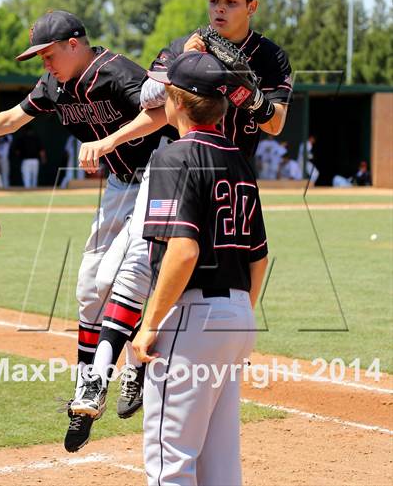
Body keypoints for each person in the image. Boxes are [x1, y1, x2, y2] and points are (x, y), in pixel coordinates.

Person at [74, 0, 291, 426]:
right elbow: (157, 109)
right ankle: (120, 371)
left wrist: (246, 93)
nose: (219, 7)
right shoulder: (183, 47)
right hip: (180, 164)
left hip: (231, 173)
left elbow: (275, 123)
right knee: (138, 265)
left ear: (251, 7)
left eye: (230, 1)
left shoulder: (271, 58)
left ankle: (210, 345)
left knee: (218, 273)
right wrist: (112, 141)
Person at [0, 9, 170, 452]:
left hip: (159, 171)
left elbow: (162, 114)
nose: (44, 63)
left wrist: (108, 141)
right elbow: (8, 120)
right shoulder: (54, 86)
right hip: (121, 182)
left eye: (47, 54)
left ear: (75, 44)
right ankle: (88, 383)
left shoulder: (116, 72)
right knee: (89, 285)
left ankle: (113, 371)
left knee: (125, 273)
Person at [132, 52, 268, 484]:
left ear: (176, 101)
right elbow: (259, 255)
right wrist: (239, 317)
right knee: (220, 465)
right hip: (237, 315)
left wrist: (150, 323)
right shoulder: (240, 160)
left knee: (170, 462)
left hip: (191, 320)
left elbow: (183, 251)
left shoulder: (174, 157)